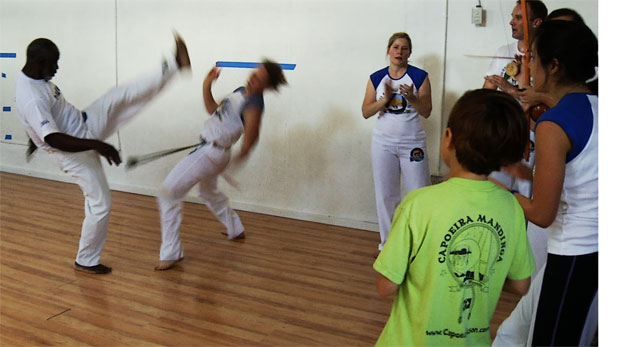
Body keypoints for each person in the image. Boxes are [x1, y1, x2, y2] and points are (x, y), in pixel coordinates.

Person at [15, 34, 191, 274]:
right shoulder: (31, 97)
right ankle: (85, 259)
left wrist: (33, 139)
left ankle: (174, 65)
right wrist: (99, 145)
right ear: (37, 62)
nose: (57, 69)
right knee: (101, 204)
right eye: (53, 64)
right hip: (74, 153)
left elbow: (40, 124)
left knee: (120, 95)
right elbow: (53, 138)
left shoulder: (35, 80)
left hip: (85, 124)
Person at [373, 89, 536, 346]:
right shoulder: (512, 207)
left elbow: (385, 286)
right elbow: (521, 285)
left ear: (448, 138)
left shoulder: (418, 204)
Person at [495, 20, 598, 346]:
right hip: (588, 250)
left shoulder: (553, 123)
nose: (530, 65)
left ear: (554, 66)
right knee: (512, 334)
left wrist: (502, 192)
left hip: (578, 255)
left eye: (535, 57)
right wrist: (526, 175)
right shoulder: (595, 105)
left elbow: (541, 213)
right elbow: (585, 172)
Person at [155, 60, 287, 271]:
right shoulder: (241, 92)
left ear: (268, 86)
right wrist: (207, 85)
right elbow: (212, 109)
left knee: (168, 192)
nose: (253, 78)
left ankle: (171, 253)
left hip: (210, 153)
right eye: (255, 74)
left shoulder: (254, 105)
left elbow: (250, 140)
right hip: (211, 152)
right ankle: (235, 228)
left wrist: (233, 165)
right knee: (208, 192)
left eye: (259, 78)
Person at [361, 32, 432, 254]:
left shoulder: (420, 76)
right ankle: (388, 245)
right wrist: (384, 100)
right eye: (396, 47)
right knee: (386, 195)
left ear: (410, 53)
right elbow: (365, 112)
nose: (399, 52)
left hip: (413, 144)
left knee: (418, 195)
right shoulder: (376, 78)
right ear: (388, 50)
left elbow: (427, 111)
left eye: (404, 48)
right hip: (383, 144)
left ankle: (419, 245)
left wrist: (412, 98)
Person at [483, 0, 547, 98]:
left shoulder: (546, 55)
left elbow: (547, 98)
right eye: (512, 16)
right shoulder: (502, 51)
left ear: (536, 22)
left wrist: (512, 90)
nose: (511, 22)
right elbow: (487, 93)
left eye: (519, 18)